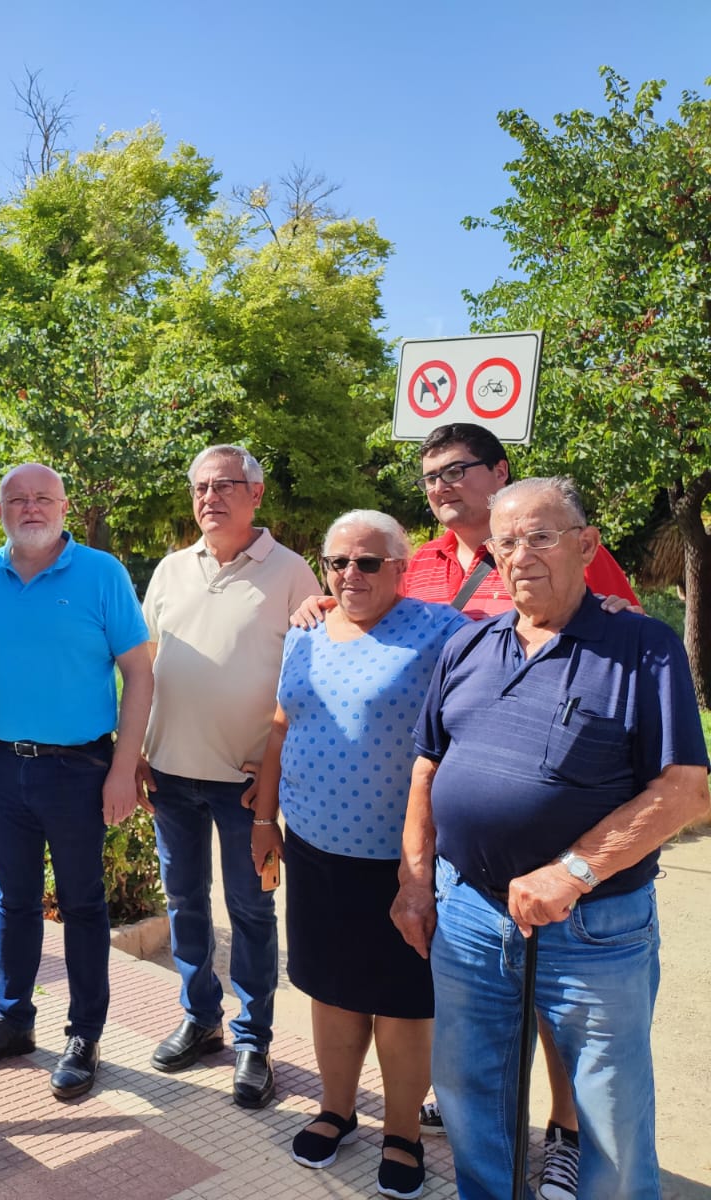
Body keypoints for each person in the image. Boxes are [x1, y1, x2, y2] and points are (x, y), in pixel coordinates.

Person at [292, 423, 638, 1197]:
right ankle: (472, 1135)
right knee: (476, 992)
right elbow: (382, 620)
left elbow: (616, 645)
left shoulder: (564, 544)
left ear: (500, 471)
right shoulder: (426, 564)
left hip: (560, 829)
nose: (443, 487)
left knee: (558, 997)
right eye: (430, 478)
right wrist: (330, 599)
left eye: (458, 471)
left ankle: (567, 1135)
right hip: (454, 833)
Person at [393, 477, 709, 1200]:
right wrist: (414, 883)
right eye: (505, 541)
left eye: (541, 536)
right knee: (471, 1094)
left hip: (594, 926)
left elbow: (685, 791)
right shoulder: (468, 645)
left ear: (586, 546)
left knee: (608, 1113)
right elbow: (426, 768)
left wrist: (572, 870)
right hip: (469, 915)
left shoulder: (643, 647)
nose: (520, 554)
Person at [254, 510, 466, 1198]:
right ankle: (336, 1109)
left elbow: (519, 641)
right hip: (317, 851)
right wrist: (264, 817)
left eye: (368, 563)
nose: (351, 575)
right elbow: (282, 727)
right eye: (338, 562)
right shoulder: (305, 632)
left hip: (401, 859)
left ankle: (401, 1131)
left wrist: (601, 609)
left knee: (405, 1003)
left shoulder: (443, 632)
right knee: (332, 991)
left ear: (401, 569)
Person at [0, 462, 153, 1100]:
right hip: (4, 763)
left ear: (65, 507)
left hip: (79, 768)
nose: (31, 508)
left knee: (82, 905)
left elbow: (141, 676)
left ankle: (85, 1034)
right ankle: (13, 1020)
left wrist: (124, 770)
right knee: (14, 902)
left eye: (44, 498)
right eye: (18, 499)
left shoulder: (102, 575)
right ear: (0, 511)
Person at [138, 444, 320, 1108]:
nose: (210, 497)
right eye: (201, 488)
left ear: (256, 495)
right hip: (168, 775)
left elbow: (314, 683)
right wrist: (134, 750)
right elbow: (144, 666)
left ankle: (253, 1040)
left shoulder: (294, 574)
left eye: (225, 486)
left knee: (248, 909)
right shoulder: (169, 569)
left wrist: (277, 770)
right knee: (185, 902)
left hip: (246, 787)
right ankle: (200, 1019)